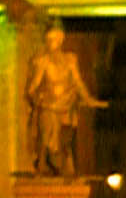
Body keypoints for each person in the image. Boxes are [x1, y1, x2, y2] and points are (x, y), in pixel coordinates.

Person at [27, 22, 105, 176]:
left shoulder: (70, 59)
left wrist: (89, 99)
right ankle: (43, 164)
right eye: (48, 40)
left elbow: (78, 82)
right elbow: (33, 87)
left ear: (61, 40)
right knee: (47, 133)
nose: (50, 43)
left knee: (65, 139)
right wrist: (38, 98)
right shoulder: (43, 62)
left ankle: (64, 167)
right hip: (48, 105)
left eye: (53, 39)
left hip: (66, 104)